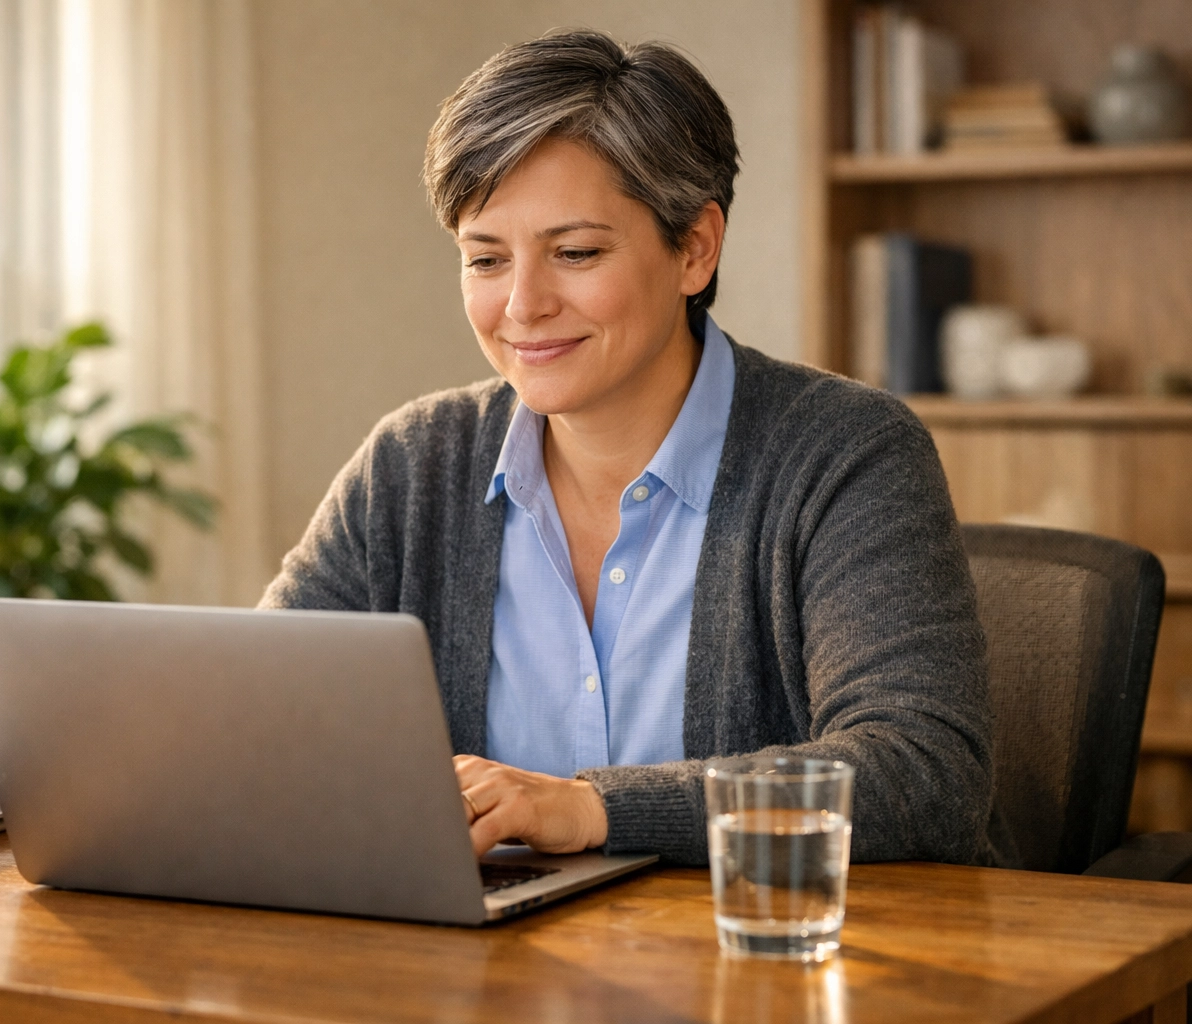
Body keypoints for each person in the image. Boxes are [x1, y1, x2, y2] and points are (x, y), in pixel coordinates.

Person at [260, 30, 997, 867]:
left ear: (695, 248)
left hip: (768, 944)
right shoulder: (412, 464)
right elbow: (262, 715)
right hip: (491, 944)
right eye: (485, 259)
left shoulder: (846, 453)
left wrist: (592, 809)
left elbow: (924, 771)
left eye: (575, 253)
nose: (523, 304)